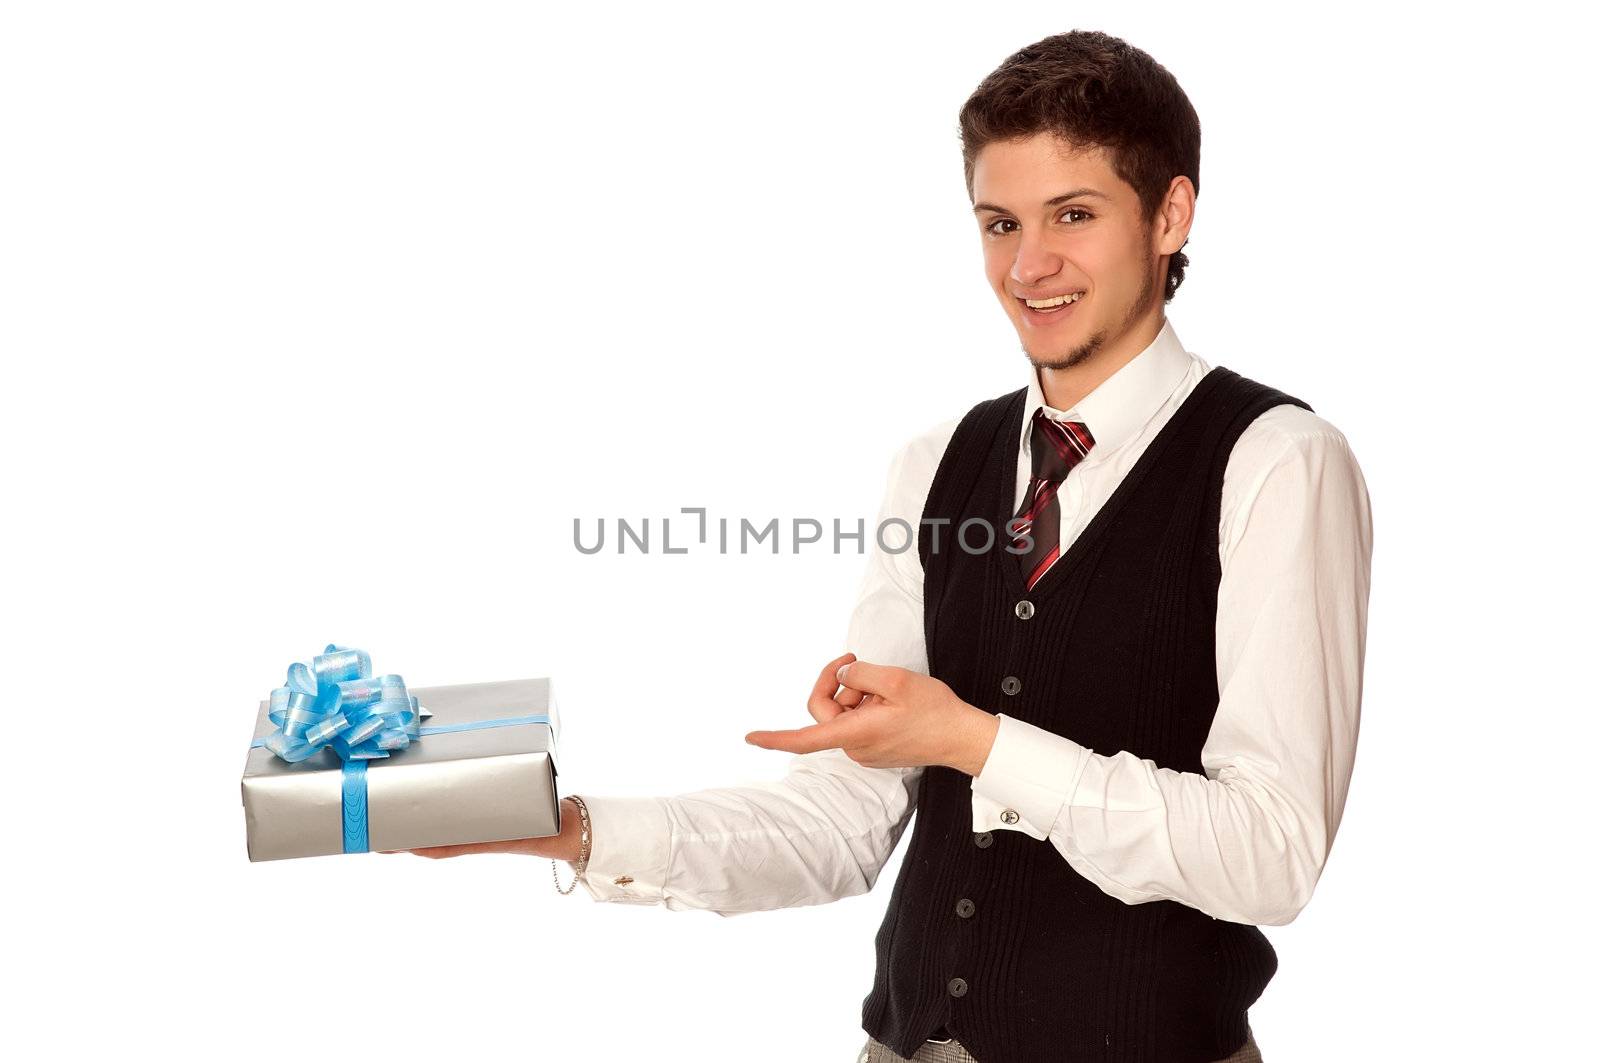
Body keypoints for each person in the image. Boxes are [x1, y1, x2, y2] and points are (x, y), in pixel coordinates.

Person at [396, 29, 1373, 1063]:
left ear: (1169, 215)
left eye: (1072, 216)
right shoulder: (937, 460)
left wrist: (974, 741)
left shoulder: (1277, 462)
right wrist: (571, 829)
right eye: (999, 223)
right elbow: (845, 825)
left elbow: (1273, 852)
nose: (1027, 266)